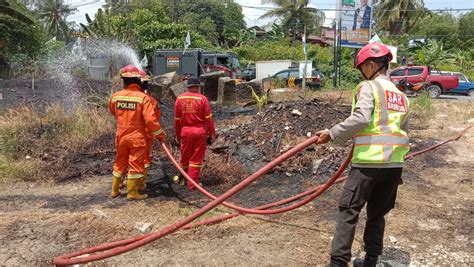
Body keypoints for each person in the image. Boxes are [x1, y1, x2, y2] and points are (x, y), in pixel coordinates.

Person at [314, 42, 410, 267]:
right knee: (377, 215)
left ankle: (338, 263)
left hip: (367, 163)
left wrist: (332, 133)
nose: (361, 72)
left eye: (361, 68)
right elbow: (404, 133)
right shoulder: (401, 96)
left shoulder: (369, 87)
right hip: (394, 166)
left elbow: (361, 119)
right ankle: (370, 261)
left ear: (371, 65)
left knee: (348, 211)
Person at [109, 65, 165, 200]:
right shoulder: (143, 98)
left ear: (123, 80)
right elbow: (151, 120)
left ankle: (115, 190)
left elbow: (113, 111)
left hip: (121, 135)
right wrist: (160, 134)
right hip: (137, 137)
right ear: (138, 80)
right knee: (135, 162)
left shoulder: (115, 97)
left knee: (120, 161)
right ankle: (132, 193)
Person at [173, 77, 215, 190]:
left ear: (188, 87)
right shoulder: (202, 99)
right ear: (198, 87)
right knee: (196, 158)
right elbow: (209, 119)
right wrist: (212, 134)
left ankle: (182, 179)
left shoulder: (179, 99)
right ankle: (192, 184)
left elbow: (177, 120)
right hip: (199, 132)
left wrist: (177, 135)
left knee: (185, 156)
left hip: (185, 131)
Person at [138, 69, 161, 192]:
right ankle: (141, 183)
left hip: (124, 134)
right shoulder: (149, 100)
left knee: (125, 157)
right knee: (144, 159)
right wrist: (159, 134)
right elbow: (154, 119)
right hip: (145, 135)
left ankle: (120, 185)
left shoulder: (120, 97)